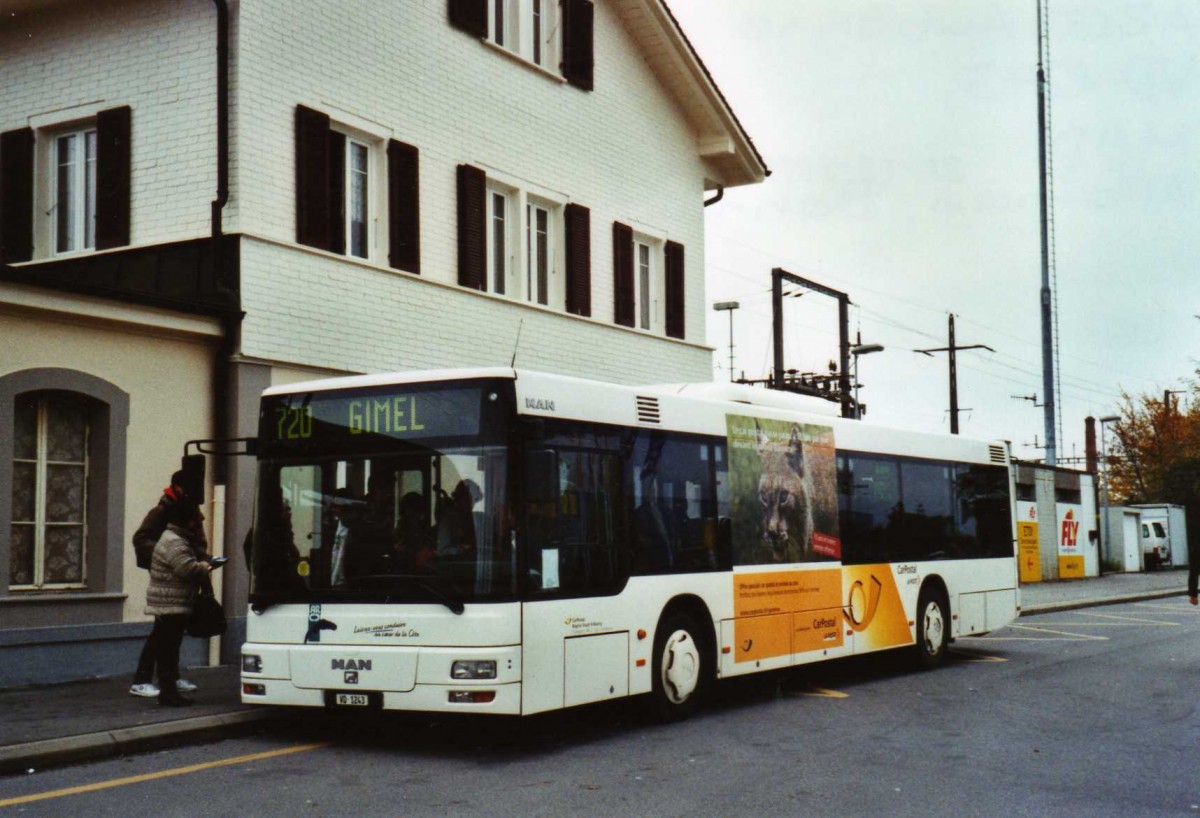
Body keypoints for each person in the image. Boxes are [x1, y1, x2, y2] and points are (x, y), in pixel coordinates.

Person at [129, 471, 208, 698]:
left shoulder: (188, 507)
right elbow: (141, 539)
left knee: (173, 631)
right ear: (178, 487)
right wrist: (166, 556)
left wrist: (203, 556)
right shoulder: (162, 510)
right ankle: (142, 679)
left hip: (180, 572)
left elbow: (195, 539)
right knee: (162, 632)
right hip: (168, 576)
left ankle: (171, 677)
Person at [144, 497, 213, 706]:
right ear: (186, 520)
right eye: (194, 519)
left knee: (169, 648)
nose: (197, 522)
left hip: (169, 601)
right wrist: (204, 566)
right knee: (168, 649)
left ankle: (169, 691)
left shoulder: (174, 538)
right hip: (170, 603)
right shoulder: (175, 541)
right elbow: (186, 569)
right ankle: (168, 693)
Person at [437, 479, 481, 559]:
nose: (471, 504)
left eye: (474, 500)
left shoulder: (474, 519)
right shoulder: (448, 522)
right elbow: (442, 551)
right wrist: (461, 549)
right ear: (459, 498)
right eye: (467, 499)